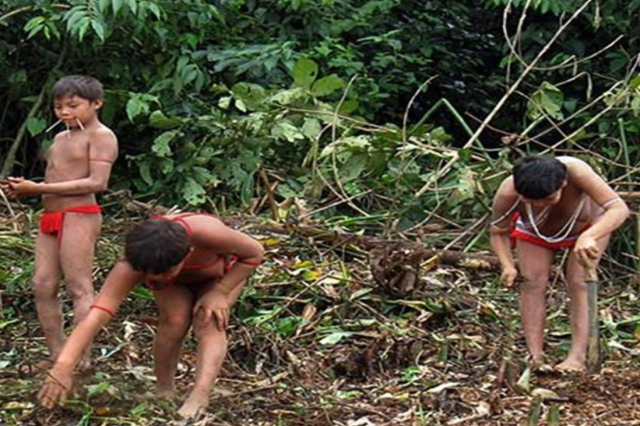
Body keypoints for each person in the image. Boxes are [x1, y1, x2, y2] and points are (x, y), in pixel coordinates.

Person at [37, 213, 264, 418]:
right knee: (174, 321)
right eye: (151, 277)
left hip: (223, 276)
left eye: (165, 272)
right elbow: (96, 316)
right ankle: (164, 389)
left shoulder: (206, 232)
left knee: (208, 319)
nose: (159, 279)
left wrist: (220, 291)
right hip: (179, 283)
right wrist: (63, 366)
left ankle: (199, 396)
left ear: (188, 253)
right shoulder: (134, 265)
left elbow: (254, 252)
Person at [1, 75, 118, 370]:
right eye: (58, 107)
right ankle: (57, 354)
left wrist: (37, 189)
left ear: (96, 104)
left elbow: (97, 182)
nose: (65, 112)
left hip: (79, 215)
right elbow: (59, 177)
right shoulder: (59, 137)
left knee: (79, 287)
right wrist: (24, 189)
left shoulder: (101, 136)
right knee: (42, 284)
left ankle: (81, 358)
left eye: (73, 106)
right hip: (50, 216)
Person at [489, 156, 629, 372]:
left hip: (588, 227)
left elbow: (619, 209)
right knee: (532, 282)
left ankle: (577, 357)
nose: (538, 205)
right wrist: (507, 264)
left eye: (547, 199)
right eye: (530, 201)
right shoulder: (509, 190)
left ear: (563, 184)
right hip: (535, 230)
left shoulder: (578, 173)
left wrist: (590, 236)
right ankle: (534, 355)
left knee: (579, 282)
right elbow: (498, 232)